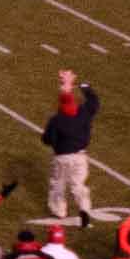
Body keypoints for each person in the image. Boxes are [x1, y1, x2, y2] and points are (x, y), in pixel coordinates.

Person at [42, 70, 100, 227]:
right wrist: (85, 87)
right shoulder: (83, 112)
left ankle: (59, 211)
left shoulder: (57, 120)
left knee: (58, 184)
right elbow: (94, 103)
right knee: (78, 185)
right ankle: (84, 209)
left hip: (61, 157)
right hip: (80, 156)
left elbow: (47, 139)